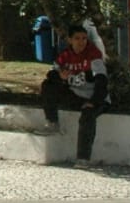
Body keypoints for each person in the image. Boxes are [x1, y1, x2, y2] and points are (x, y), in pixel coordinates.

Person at [40, 22, 111, 165]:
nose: (81, 42)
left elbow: (101, 81)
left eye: (84, 38)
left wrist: (93, 102)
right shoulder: (65, 55)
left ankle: (83, 158)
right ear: (70, 40)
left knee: (88, 116)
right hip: (76, 95)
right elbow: (52, 73)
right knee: (48, 86)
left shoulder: (93, 55)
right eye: (77, 38)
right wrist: (60, 76)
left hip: (96, 98)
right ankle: (52, 122)